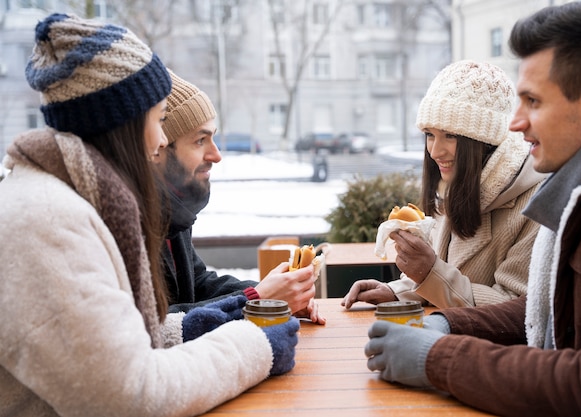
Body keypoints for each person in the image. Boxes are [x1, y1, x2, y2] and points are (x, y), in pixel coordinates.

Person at [0, 13, 298, 417]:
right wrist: (256, 343)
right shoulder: (47, 221)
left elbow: (124, 345)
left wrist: (213, 320)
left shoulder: (70, 205)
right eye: (159, 119)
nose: (160, 141)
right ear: (123, 124)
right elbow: (131, 396)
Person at [364, 2, 581, 415]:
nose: (515, 124)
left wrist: (438, 357)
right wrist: (444, 321)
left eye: (533, 102)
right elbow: (538, 311)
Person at [343, 60, 546, 309]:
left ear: (484, 140)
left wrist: (428, 271)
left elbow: (514, 309)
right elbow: (445, 278)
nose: (435, 151)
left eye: (450, 135)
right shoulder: (455, 181)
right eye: (430, 134)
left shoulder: (537, 202)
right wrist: (396, 291)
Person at [154, 70, 325, 323]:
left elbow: (198, 283)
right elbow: (153, 325)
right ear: (158, 148)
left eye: (213, 137)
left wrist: (276, 297)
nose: (216, 154)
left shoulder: (172, 209)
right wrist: (256, 299)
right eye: (200, 140)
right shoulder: (125, 221)